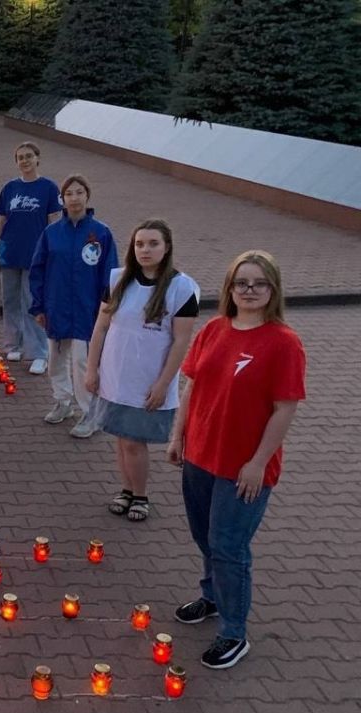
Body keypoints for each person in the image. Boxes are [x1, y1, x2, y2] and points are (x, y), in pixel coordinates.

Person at [167, 251, 305, 670]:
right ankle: (211, 598)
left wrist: (259, 462)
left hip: (243, 468)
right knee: (204, 537)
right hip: (200, 457)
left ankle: (233, 632)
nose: (248, 290)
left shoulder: (283, 342)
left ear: (272, 290)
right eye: (240, 282)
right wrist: (178, 434)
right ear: (229, 288)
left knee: (228, 548)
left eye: (258, 283)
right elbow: (192, 385)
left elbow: (284, 408)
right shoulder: (213, 329)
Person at [84, 220, 200, 521]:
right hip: (115, 375)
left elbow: (180, 341)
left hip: (147, 379)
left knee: (135, 442)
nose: (145, 250)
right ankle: (126, 489)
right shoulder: (118, 280)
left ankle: (140, 495)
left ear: (167, 247)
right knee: (122, 439)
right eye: (139, 244)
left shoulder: (182, 288)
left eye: (152, 244)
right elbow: (100, 327)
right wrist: (92, 369)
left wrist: (163, 384)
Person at [29, 174, 118, 438]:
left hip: (86, 312)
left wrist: (107, 308)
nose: (74, 198)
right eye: (69, 194)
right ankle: (63, 402)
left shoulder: (101, 233)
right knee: (55, 360)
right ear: (62, 199)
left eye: (79, 192)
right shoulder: (51, 233)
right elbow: (38, 270)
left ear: (87, 196)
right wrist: (39, 306)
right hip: (56, 308)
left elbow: (110, 274)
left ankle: (90, 413)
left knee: (83, 363)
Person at [0, 142, 62, 375]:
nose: (25, 161)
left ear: (37, 158)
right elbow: (1, 220)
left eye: (29, 156)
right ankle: (14, 345)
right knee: (10, 301)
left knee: (33, 303)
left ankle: (39, 353)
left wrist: (54, 252)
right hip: (9, 252)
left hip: (36, 255)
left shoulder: (49, 188)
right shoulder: (10, 188)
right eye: (20, 157)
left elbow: (54, 221)